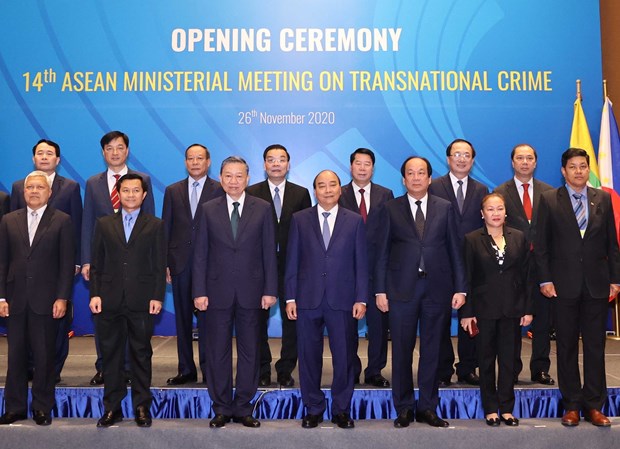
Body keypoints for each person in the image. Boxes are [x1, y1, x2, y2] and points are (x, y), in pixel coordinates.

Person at [375, 156, 466, 428]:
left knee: (432, 351)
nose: (416, 177)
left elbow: (455, 250)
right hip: (401, 290)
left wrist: (461, 287)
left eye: (421, 173)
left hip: (437, 289)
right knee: (401, 350)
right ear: (403, 179)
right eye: (410, 173)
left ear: (429, 178)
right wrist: (379, 290)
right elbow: (381, 253)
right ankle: (403, 407)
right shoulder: (390, 208)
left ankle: (427, 406)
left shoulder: (445, 207)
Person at [535, 147, 620, 427]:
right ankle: (571, 404)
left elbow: (612, 245)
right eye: (573, 167)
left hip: (597, 286)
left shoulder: (603, 199)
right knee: (567, 347)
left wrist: (615, 279)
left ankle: (595, 406)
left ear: (588, 169)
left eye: (583, 166)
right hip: (562, 287)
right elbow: (542, 246)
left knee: (596, 347)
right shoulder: (549, 200)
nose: (579, 171)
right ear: (563, 171)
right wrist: (545, 279)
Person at [192, 156, 277, 428]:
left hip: (252, 292)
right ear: (220, 177)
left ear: (248, 178)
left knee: (250, 351)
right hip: (216, 293)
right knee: (217, 352)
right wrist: (199, 291)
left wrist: (270, 289)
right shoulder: (207, 209)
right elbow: (200, 254)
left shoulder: (263, 208)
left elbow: (269, 253)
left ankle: (243, 406)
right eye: (228, 176)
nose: (233, 181)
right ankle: (220, 407)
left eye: (239, 176)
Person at [285, 170, 367, 429]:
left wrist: (361, 298)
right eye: (322, 186)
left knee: (344, 357)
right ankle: (313, 407)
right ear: (315, 190)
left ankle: (341, 409)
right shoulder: (299, 219)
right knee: (309, 357)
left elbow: (361, 263)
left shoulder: (354, 221)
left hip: (342, 299)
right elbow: (292, 261)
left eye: (333, 185)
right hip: (307, 299)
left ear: (340, 189)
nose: (328, 190)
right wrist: (289, 298)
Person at [89, 173, 166, 428]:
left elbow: (159, 265)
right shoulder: (103, 224)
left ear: (144, 195)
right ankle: (113, 408)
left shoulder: (155, 225)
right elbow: (97, 264)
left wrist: (157, 296)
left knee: (140, 354)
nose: (130, 195)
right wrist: (95, 293)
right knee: (111, 356)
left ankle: (142, 406)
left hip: (142, 300)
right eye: (126, 190)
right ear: (118, 195)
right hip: (109, 300)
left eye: (136, 191)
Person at [0, 171, 75, 426]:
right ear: (23, 192)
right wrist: (1, 298)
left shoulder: (62, 220)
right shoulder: (9, 220)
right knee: (16, 357)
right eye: (30, 187)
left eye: (39, 187)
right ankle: (15, 407)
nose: (34, 191)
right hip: (15, 299)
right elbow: (2, 262)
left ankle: (42, 407)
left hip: (47, 300)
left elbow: (66, 263)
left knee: (44, 357)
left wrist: (62, 297)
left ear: (49, 192)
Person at [81, 130, 155, 385]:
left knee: (136, 322)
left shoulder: (142, 180)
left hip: (136, 268)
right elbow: (88, 222)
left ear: (127, 150)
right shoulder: (93, 183)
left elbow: (151, 225)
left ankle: (130, 369)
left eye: (120, 147)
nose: (115, 152)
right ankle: (105, 367)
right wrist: (87, 259)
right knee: (105, 318)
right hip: (106, 265)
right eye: (109, 148)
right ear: (103, 153)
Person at [11, 138, 83, 383]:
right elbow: (13, 228)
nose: (44, 157)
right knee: (24, 329)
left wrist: (76, 261)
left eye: (49, 153)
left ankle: (54, 369)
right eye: (39, 153)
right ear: (33, 158)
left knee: (58, 322)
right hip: (23, 276)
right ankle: (31, 369)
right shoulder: (20, 186)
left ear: (58, 160)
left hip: (57, 269)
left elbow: (77, 226)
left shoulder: (71, 187)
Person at [460, 193, 533, 427]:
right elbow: (467, 279)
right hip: (483, 309)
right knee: (487, 360)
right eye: (490, 209)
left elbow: (526, 276)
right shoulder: (472, 239)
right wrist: (468, 312)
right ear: (482, 214)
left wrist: (527, 309)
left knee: (509, 360)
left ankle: (507, 408)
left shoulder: (519, 237)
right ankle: (491, 408)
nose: (495, 213)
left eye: (499, 209)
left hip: (512, 308)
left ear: (505, 212)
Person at [247, 144, 311, 388]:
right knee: (257, 321)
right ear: (264, 165)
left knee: (291, 321)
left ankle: (285, 369)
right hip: (258, 267)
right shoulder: (251, 192)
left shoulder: (301, 193)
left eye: (281, 159)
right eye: (271, 159)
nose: (276, 164)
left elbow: (307, 232)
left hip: (291, 266)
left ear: (288, 164)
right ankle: (262, 368)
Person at [428, 138, 488, 387]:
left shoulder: (482, 190)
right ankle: (443, 368)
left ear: (472, 160)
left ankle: (467, 367)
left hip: (472, 262)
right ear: (448, 159)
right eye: (457, 154)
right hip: (441, 261)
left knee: (470, 315)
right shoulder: (435, 186)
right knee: (440, 316)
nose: (462, 158)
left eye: (467, 155)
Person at [162, 144, 224, 385]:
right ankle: (186, 369)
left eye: (200, 158)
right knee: (183, 320)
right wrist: (166, 262)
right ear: (185, 162)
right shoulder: (172, 190)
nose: (195, 162)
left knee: (210, 321)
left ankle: (210, 369)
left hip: (211, 265)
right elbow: (166, 228)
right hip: (180, 264)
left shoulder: (220, 189)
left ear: (208, 162)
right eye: (190, 158)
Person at [494, 144, 555, 385]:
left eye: (529, 158)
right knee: (511, 321)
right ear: (512, 162)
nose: (525, 162)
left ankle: (540, 368)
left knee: (542, 320)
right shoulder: (500, 192)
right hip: (512, 266)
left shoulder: (549, 193)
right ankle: (512, 369)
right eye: (520, 158)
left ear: (536, 162)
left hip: (542, 266)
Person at [339, 148, 394, 387]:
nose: (362, 168)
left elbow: (391, 233)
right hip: (346, 273)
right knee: (346, 326)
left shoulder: (386, 194)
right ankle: (351, 368)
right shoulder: (337, 193)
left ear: (373, 168)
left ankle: (375, 370)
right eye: (358, 163)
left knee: (379, 326)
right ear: (350, 167)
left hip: (377, 271)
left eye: (367, 164)